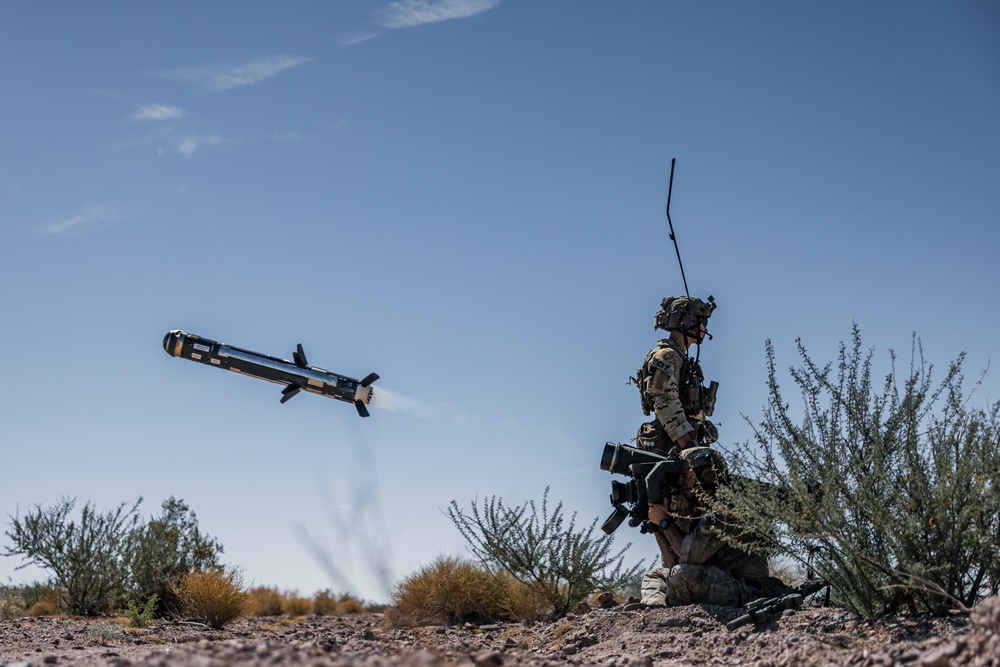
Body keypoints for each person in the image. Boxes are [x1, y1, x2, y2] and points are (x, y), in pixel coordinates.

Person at [640, 446, 788, 607]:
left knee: (681, 576)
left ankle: (670, 605)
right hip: (719, 580)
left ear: (706, 474)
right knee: (655, 576)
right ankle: (656, 610)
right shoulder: (699, 509)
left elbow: (689, 557)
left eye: (684, 474)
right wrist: (657, 526)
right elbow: (673, 563)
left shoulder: (728, 507)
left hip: (747, 589)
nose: (680, 481)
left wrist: (664, 521)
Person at [634, 295, 719, 456]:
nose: (705, 329)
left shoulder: (680, 358)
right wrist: (688, 445)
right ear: (688, 321)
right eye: (703, 322)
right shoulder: (667, 356)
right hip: (671, 446)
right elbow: (664, 402)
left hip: (678, 443)